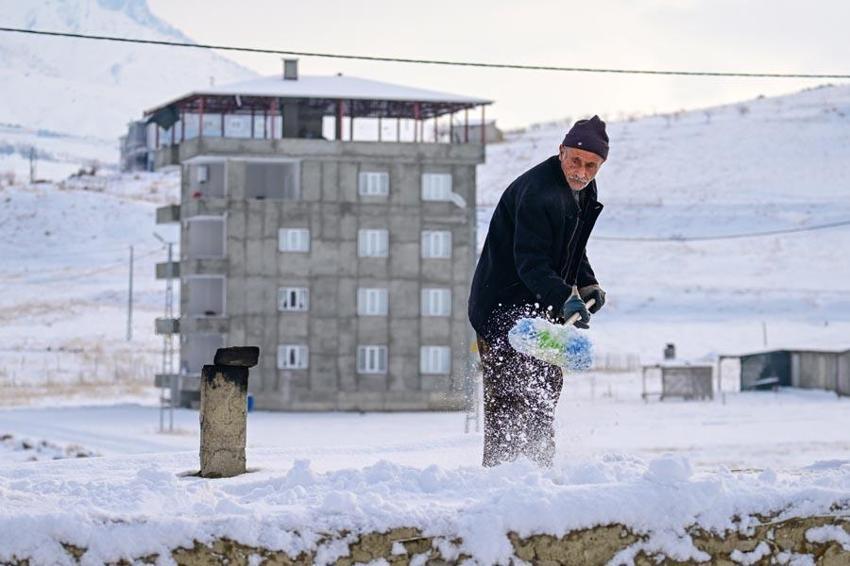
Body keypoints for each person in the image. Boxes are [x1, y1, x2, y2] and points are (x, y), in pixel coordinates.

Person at [468, 116, 609, 467]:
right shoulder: (537, 193)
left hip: (537, 306)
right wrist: (564, 297)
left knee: (544, 387)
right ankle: (500, 473)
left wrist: (588, 282)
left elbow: (572, 247)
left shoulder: (583, 191)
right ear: (561, 151)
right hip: (501, 305)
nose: (581, 171)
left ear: (601, 165)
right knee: (511, 392)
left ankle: (538, 469)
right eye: (575, 160)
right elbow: (530, 261)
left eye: (591, 165)